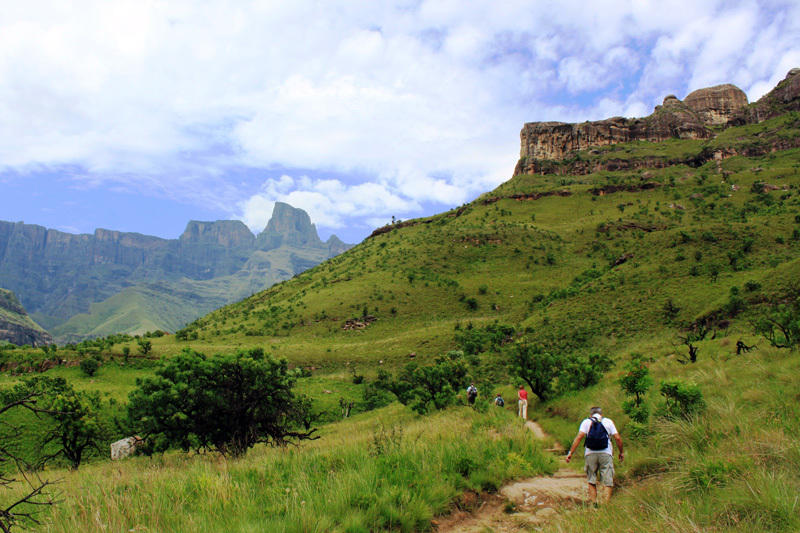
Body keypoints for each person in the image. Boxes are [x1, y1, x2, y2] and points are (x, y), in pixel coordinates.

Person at [565, 406, 623, 505]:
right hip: (606, 453)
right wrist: (621, 452)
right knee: (607, 480)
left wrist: (571, 453)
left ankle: (593, 504)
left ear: (590, 415)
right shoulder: (608, 422)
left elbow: (579, 437)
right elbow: (617, 438)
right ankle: (605, 505)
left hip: (590, 453)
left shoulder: (586, 422)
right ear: (601, 414)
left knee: (591, 479)